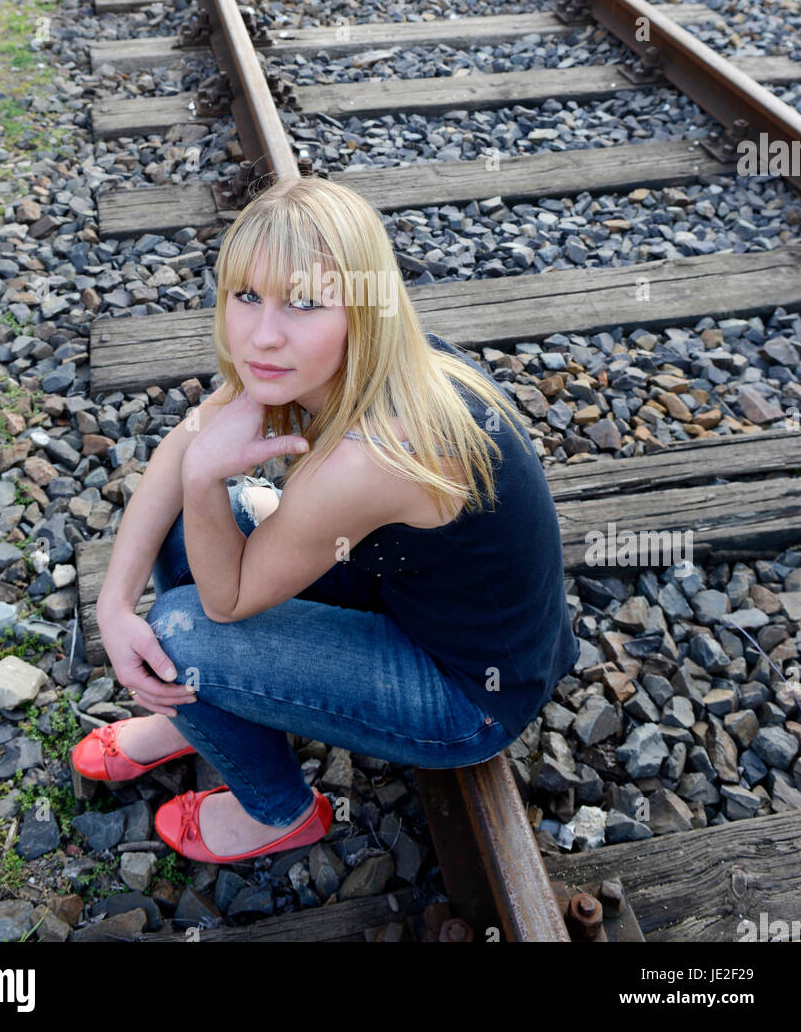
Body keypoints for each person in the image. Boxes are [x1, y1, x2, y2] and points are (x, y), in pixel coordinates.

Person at [72, 175, 577, 865]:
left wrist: (204, 477)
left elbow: (226, 602)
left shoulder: (369, 458)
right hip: (410, 594)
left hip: (470, 695)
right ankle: (194, 715)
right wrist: (112, 602)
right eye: (247, 296)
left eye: (305, 304)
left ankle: (276, 814)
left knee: (183, 635)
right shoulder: (354, 359)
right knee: (186, 526)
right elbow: (180, 445)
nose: (264, 334)